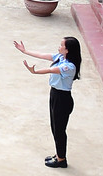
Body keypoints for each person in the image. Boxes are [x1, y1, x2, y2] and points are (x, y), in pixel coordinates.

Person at [16, 36, 83, 168]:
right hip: (55, 94)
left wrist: (35, 72)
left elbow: (51, 70)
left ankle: (61, 159)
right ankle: (59, 155)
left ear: (68, 50)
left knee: (59, 130)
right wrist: (25, 51)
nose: (59, 47)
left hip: (62, 99)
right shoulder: (61, 57)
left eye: (61, 45)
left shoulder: (69, 66)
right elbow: (42, 55)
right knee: (54, 127)